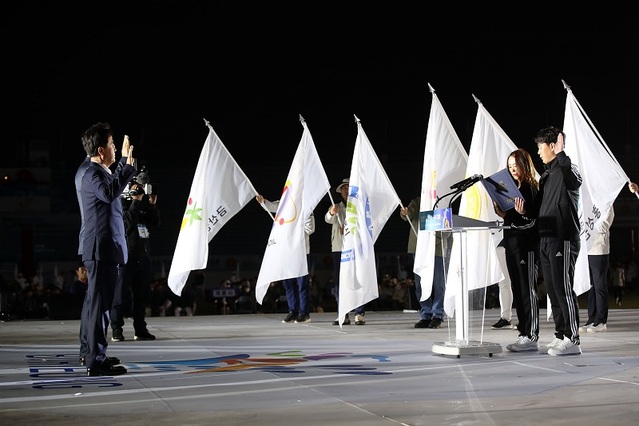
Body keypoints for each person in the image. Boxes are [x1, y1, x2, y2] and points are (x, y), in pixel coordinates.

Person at [515, 127, 582, 356]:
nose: (538, 152)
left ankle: (573, 338)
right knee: (552, 290)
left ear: (553, 146)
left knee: (563, 288)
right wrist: (523, 212)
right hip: (545, 239)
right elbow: (538, 210)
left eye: (541, 147)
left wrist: (562, 154)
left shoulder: (567, 169)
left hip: (563, 239)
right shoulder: (546, 176)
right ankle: (561, 334)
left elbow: (573, 182)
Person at [80, 122, 137, 376]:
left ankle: (91, 351)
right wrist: (125, 165)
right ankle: (95, 359)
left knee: (95, 304)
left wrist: (121, 167)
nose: (115, 148)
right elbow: (109, 193)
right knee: (101, 306)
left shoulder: (90, 170)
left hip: (99, 248)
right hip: (101, 248)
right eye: (112, 145)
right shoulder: (94, 173)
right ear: (101, 150)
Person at [493, 148, 541, 352]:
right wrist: (503, 213)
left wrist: (523, 213)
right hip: (511, 244)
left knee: (526, 290)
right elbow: (514, 220)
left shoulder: (530, 189)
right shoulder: (510, 188)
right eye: (510, 166)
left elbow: (532, 220)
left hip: (527, 247)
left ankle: (531, 334)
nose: (513, 169)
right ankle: (524, 332)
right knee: (518, 288)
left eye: (516, 165)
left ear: (524, 165)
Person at [110, 172, 160, 342]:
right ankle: (117, 328)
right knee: (120, 295)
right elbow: (125, 225)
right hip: (126, 257)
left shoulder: (143, 204)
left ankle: (140, 329)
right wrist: (134, 201)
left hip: (143, 255)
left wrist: (152, 205)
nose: (140, 190)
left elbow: (154, 223)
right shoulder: (121, 203)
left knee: (142, 295)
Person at [256, 194, 314, 323]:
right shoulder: (284, 204)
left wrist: (293, 230)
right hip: (286, 252)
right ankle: (293, 311)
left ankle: (304, 313)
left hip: (301, 252)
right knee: (288, 284)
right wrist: (263, 201)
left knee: (302, 284)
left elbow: (310, 229)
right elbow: (271, 206)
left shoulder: (306, 207)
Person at [400, 196, 450, 329]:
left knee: (438, 284)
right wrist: (404, 212)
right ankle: (426, 314)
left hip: (437, 248)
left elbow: (447, 228)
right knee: (421, 284)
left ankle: (437, 314)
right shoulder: (418, 200)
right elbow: (408, 214)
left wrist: (434, 240)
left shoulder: (443, 200)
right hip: (419, 247)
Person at [325, 178, 366, 325]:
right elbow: (327, 219)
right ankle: (343, 313)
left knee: (357, 279)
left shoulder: (359, 207)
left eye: (349, 188)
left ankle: (359, 312)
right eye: (344, 188)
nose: (346, 191)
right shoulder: (337, 207)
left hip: (355, 248)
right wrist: (331, 212)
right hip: (339, 248)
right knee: (340, 282)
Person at [580, 208, 614, 333]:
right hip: (586, 249)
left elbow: (605, 224)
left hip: (599, 249)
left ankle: (601, 321)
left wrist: (592, 230)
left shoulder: (606, 202)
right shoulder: (587, 201)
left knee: (600, 286)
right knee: (591, 287)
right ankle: (592, 319)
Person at [491, 246, 514, 329]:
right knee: (503, 284)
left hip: (501, 245)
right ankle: (506, 317)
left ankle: (506, 317)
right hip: (491, 246)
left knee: (504, 283)